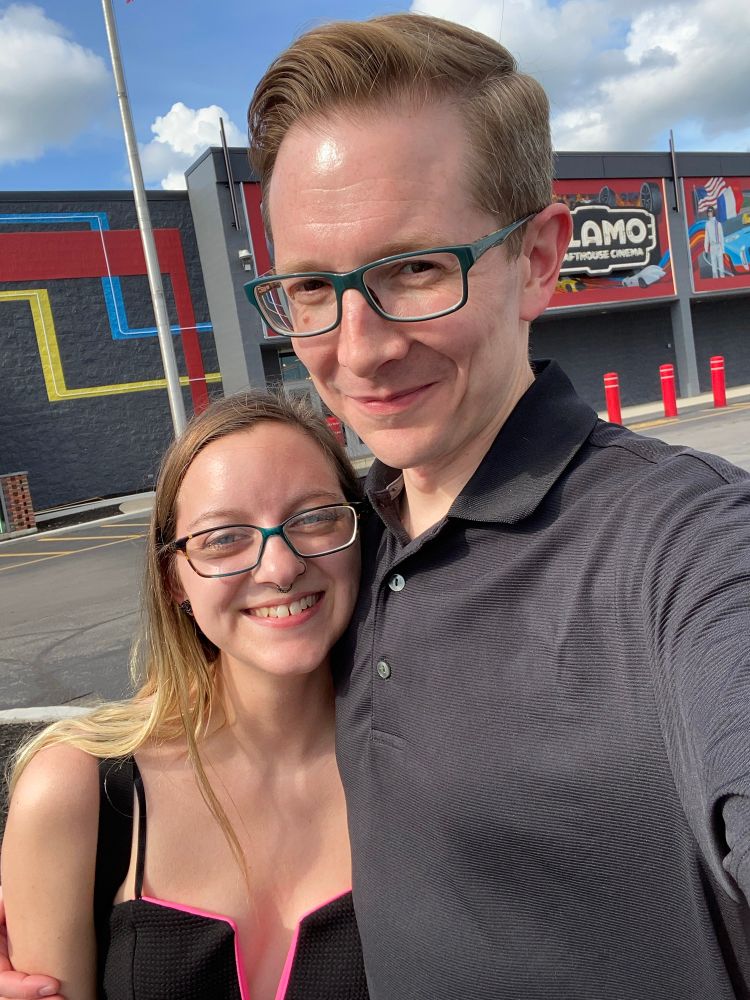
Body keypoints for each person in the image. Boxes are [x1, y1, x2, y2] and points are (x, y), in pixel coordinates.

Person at [2, 11, 750, 1000]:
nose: (358, 350)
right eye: (313, 286)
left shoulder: (684, 546)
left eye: (416, 268)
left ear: (537, 260)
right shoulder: (344, 545)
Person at [0, 392, 369, 1000]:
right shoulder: (78, 792)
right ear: (174, 576)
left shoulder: (425, 767)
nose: (280, 568)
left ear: (357, 534)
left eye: (313, 518)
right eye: (224, 538)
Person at [704, 204, 726, 278]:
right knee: (714, 266)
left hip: (718, 246)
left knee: (721, 266)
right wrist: (706, 249)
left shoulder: (718, 224)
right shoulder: (707, 224)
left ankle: (722, 279)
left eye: (711, 211)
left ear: (713, 212)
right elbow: (706, 237)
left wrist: (723, 250)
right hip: (712, 246)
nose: (709, 213)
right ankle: (715, 280)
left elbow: (721, 237)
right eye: (708, 212)